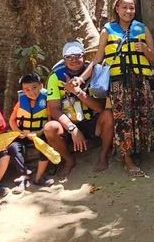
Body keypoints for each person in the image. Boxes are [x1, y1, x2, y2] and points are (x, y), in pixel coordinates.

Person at [88, 0, 154, 173]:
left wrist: (144, 49)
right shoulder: (107, 30)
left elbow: (153, 57)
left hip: (140, 82)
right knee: (122, 120)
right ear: (117, 9)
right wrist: (82, 78)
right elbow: (98, 57)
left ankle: (136, 151)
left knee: (140, 119)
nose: (129, 11)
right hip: (118, 84)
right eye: (125, 7)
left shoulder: (142, 29)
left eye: (132, 8)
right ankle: (127, 159)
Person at [43, 41, 115, 179]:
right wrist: (72, 129)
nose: (74, 60)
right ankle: (69, 161)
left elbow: (100, 107)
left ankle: (103, 155)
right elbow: (54, 109)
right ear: (64, 59)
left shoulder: (94, 71)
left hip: (91, 120)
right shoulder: (55, 76)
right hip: (68, 122)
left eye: (78, 56)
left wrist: (77, 92)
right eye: (70, 57)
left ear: (84, 56)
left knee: (109, 115)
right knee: (50, 127)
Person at [8, 73, 54, 192]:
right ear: (23, 91)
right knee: (13, 147)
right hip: (23, 134)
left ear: (40, 86)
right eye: (26, 90)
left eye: (34, 87)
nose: (31, 92)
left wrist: (39, 132)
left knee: (45, 147)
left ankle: (39, 178)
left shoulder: (47, 101)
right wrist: (19, 132)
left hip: (40, 133)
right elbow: (12, 120)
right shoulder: (20, 103)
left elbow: (50, 120)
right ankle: (23, 177)